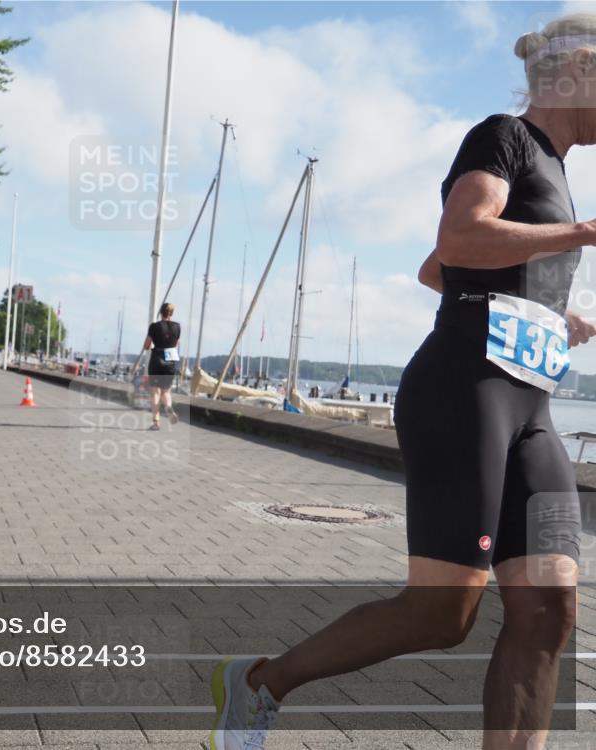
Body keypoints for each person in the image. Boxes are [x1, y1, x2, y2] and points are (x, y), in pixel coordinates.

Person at [210, 14, 596, 750]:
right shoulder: (501, 138)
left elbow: (436, 272)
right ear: (579, 70)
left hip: (534, 412)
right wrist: (580, 237)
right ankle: (259, 684)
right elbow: (455, 242)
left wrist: (556, 310)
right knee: (440, 616)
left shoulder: (559, 172)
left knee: (550, 609)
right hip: (466, 391)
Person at [142, 302, 181, 430]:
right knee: (166, 391)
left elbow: (147, 345)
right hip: (171, 360)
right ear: (171, 313)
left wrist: (153, 345)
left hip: (157, 359)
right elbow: (176, 345)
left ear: (161, 312)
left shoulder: (154, 327)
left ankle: (156, 422)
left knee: (155, 392)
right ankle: (169, 407)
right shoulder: (177, 327)